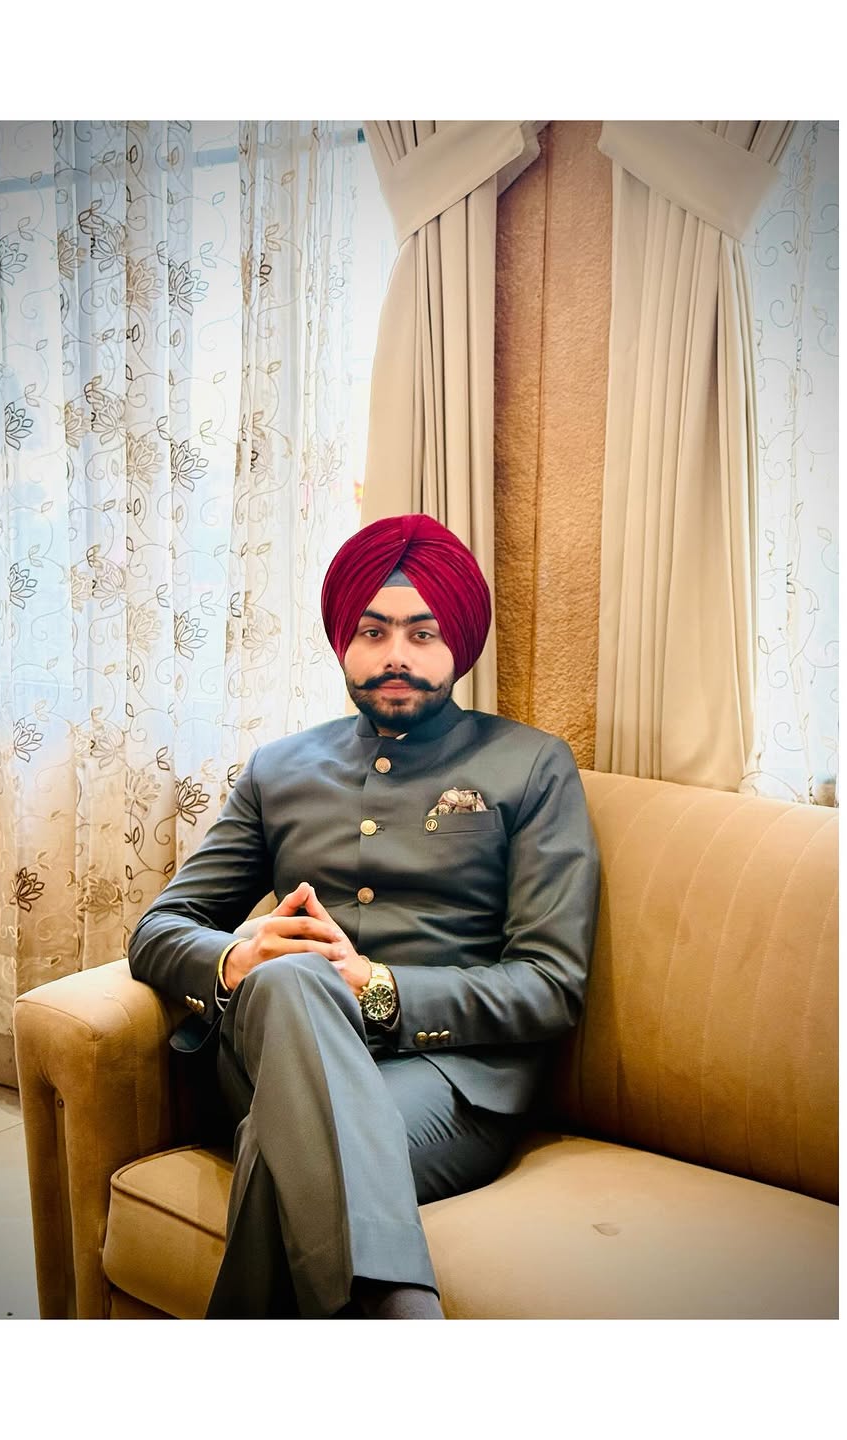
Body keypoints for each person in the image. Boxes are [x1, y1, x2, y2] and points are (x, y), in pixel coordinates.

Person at [128, 512, 600, 1319]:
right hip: (270, 1052)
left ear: (458, 643)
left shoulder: (530, 765)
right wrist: (238, 960)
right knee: (291, 980)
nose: (395, 656)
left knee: (278, 1136)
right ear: (343, 641)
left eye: (422, 633)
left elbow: (550, 985)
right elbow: (158, 931)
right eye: (373, 632)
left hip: (447, 1081)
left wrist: (375, 986)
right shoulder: (280, 769)